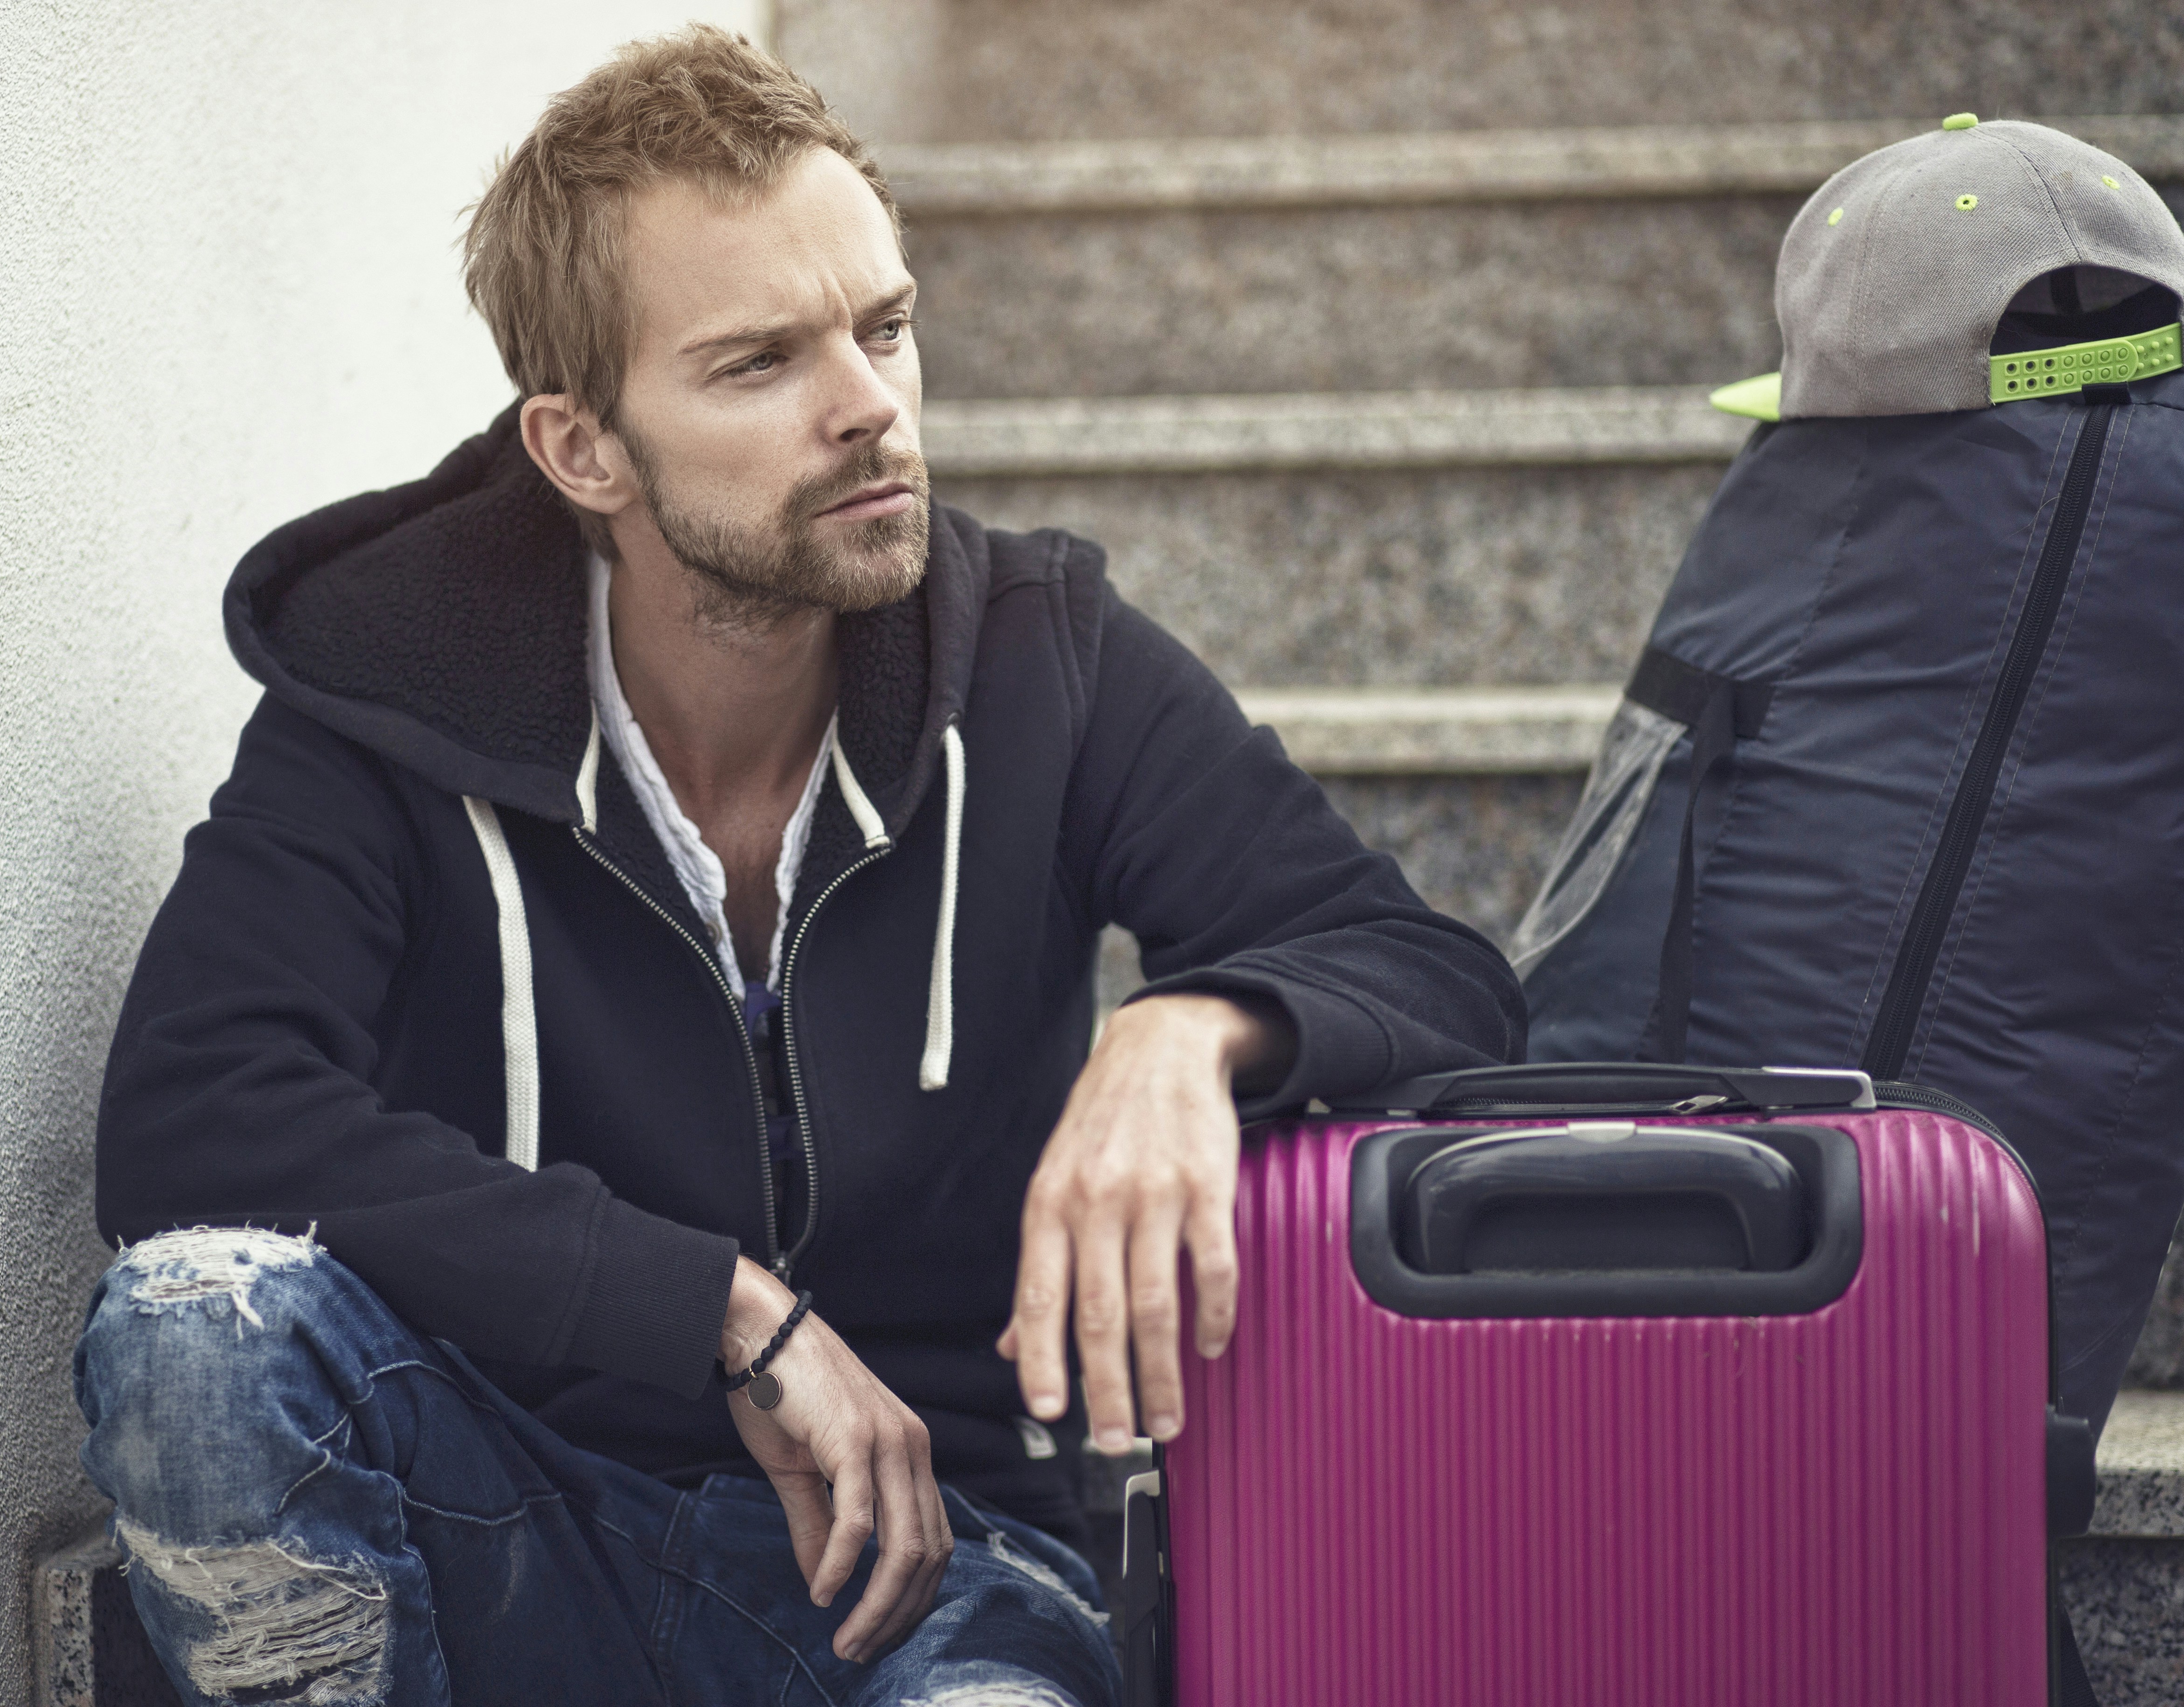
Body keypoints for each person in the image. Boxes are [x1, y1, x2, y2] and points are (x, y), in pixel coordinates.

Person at [75, 25, 1522, 1707]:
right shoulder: (388, 702)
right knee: (198, 1329)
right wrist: (717, 1309)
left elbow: (1439, 978)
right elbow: (195, 1116)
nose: (868, 409)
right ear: (583, 450)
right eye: (759, 363)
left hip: (938, 1584)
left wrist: (1191, 1031)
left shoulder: (1042, 660)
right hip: (522, 1521)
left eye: (885, 328)